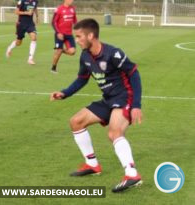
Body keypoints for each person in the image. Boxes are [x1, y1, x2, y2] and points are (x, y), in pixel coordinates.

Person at [50, 18, 143, 193]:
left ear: (91, 35)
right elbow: (82, 79)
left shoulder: (113, 54)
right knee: (76, 121)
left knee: (114, 132)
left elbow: (134, 74)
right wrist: (65, 93)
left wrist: (136, 104)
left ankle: (132, 175)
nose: (76, 40)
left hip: (125, 97)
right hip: (108, 99)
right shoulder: (85, 56)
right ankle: (92, 165)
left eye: (79, 36)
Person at [5, 0, 39, 65]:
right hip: (21, 24)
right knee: (18, 43)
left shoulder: (35, 1)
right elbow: (16, 12)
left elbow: (35, 8)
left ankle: (30, 59)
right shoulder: (22, 1)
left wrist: (37, 17)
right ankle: (9, 48)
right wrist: (26, 13)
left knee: (34, 38)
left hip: (30, 24)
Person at [51, 0, 77, 73]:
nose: (72, 1)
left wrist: (77, 30)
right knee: (58, 51)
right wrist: (58, 32)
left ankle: (62, 50)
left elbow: (75, 21)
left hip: (69, 34)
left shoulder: (72, 9)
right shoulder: (59, 9)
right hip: (60, 34)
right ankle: (53, 68)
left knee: (72, 52)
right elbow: (53, 22)